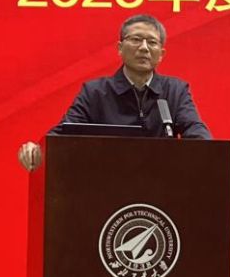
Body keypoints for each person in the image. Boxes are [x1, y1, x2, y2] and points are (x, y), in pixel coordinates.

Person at [17, 14, 211, 170]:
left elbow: (197, 133)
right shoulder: (95, 92)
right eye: (136, 40)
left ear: (161, 54)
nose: (144, 48)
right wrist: (37, 150)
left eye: (152, 42)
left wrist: (205, 152)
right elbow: (63, 135)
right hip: (106, 185)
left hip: (162, 186)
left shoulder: (175, 90)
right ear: (120, 48)